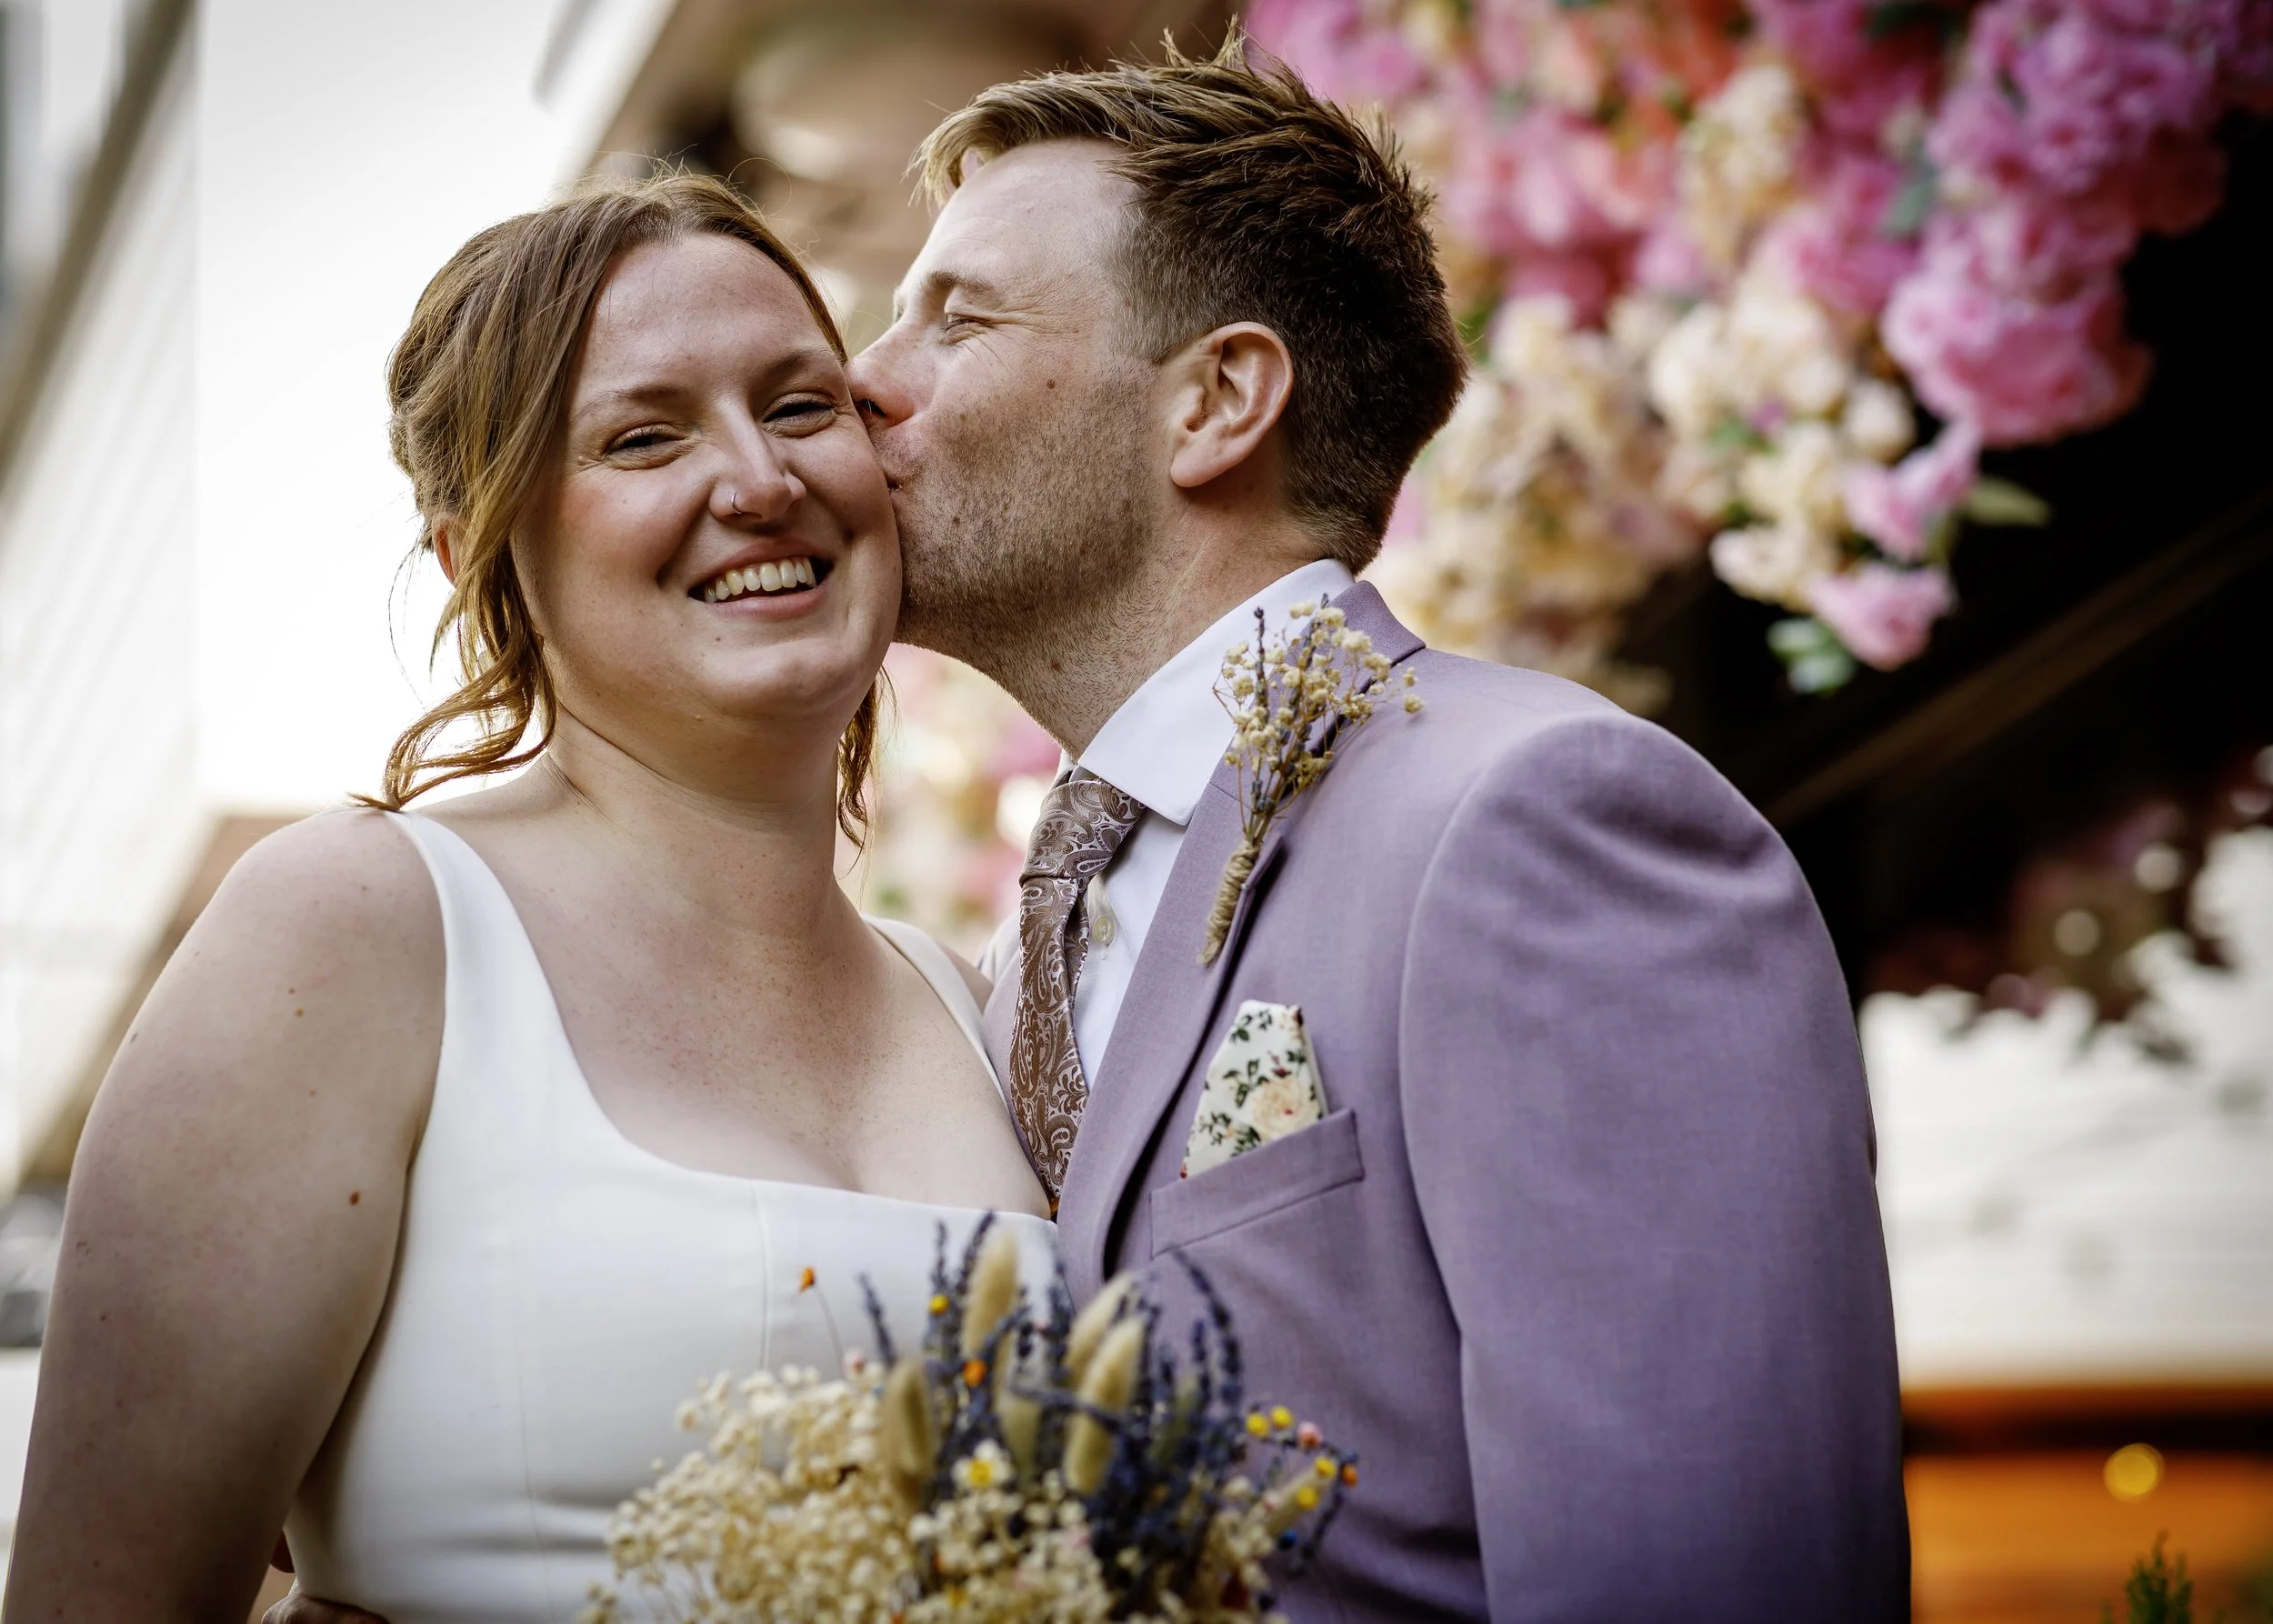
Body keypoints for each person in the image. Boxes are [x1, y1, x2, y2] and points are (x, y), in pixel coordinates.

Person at [842, 39, 1910, 1619]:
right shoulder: (1022, 952)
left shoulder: (1541, 819)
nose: (863, 377)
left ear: (1215, 400)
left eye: (962, 316)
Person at [3, 174, 1051, 1624]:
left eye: (804, 406)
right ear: (485, 554)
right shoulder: (358, 929)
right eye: (643, 435)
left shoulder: (978, 1003)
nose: (758, 479)